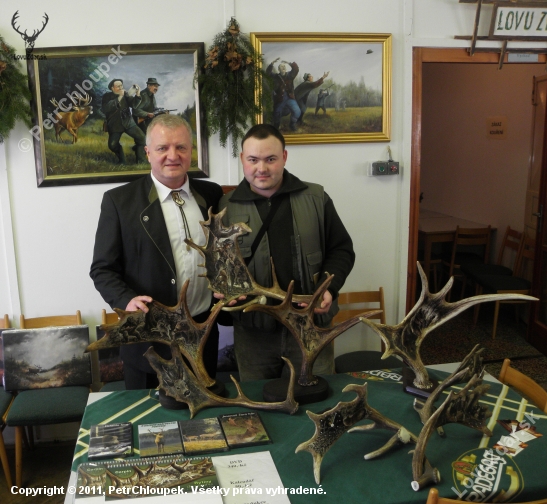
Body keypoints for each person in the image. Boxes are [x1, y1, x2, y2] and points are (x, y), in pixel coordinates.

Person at [90, 114, 223, 390]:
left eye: (181, 147)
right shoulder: (119, 201)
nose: (172, 156)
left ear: (191, 151)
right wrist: (125, 300)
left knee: (202, 426)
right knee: (151, 427)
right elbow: (102, 269)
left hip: (202, 336)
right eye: (163, 148)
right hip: (148, 341)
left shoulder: (212, 194)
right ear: (148, 152)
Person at [217, 124, 355, 381]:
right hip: (254, 336)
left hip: (310, 326)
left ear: (285, 157)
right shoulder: (226, 208)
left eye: (270, 159)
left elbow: (342, 250)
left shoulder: (316, 197)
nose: (262, 168)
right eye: (253, 160)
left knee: (318, 397)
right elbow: (220, 267)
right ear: (242, 160)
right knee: (258, 404)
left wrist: (328, 289)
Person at [101, 79, 147, 164]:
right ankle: (122, 160)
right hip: (115, 124)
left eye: (121, 86)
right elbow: (105, 109)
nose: (120, 88)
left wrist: (137, 94)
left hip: (128, 122)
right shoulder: (106, 96)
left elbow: (134, 105)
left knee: (142, 138)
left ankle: (141, 160)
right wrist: (119, 98)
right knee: (112, 145)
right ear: (112, 88)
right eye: (118, 86)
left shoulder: (126, 94)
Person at [266, 58, 300, 131]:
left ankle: (292, 125)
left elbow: (296, 69)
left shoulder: (290, 75)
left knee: (297, 111)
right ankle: (276, 126)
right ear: (279, 69)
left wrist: (288, 62)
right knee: (277, 114)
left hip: (289, 98)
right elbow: (267, 73)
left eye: (284, 66)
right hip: (279, 99)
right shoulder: (275, 76)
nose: (283, 67)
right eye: (281, 66)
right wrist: (271, 64)